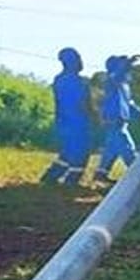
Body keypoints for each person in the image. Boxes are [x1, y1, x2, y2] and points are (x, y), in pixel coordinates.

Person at [93, 54, 140, 186]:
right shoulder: (112, 81)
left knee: (111, 150)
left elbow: (129, 104)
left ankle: (100, 176)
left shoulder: (124, 85)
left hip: (121, 121)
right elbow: (119, 73)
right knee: (127, 149)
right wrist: (129, 62)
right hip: (114, 121)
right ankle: (137, 177)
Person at [40, 47, 94, 184]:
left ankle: (51, 176)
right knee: (80, 152)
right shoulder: (78, 82)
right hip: (77, 121)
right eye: (78, 59)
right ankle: (71, 179)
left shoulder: (59, 79)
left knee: (68, 152)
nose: (81, 62)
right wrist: (94, 117)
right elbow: (83, 103)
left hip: (65, 121)